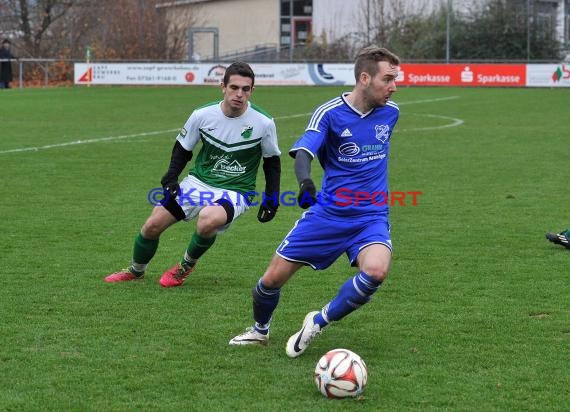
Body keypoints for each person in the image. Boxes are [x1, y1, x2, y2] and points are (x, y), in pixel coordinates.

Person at [229, 46, 401, 357]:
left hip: (371, 216)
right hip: (329, 215)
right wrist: (306, 181)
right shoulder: (329, 113)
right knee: (270, 281)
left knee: (376, 271)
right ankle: (259, 330)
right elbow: (305, 151)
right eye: (387, 79)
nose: (394, 86)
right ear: (364, 78)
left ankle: (318, 321)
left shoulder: (391, 113)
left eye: (395, 79)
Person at [104, 61, 281, 287]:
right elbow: (183, 148)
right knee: (152, 225)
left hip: (236, 190)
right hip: (198, 183)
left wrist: (272, 198)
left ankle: (184, 266)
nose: (239, 94)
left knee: (208, 220)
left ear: (252, 91)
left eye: (245, 89)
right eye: (234, 87)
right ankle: (135, 271)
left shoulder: (264, 122)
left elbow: (272, 162)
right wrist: (171, 177)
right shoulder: (202, 115)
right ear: (223, 87)